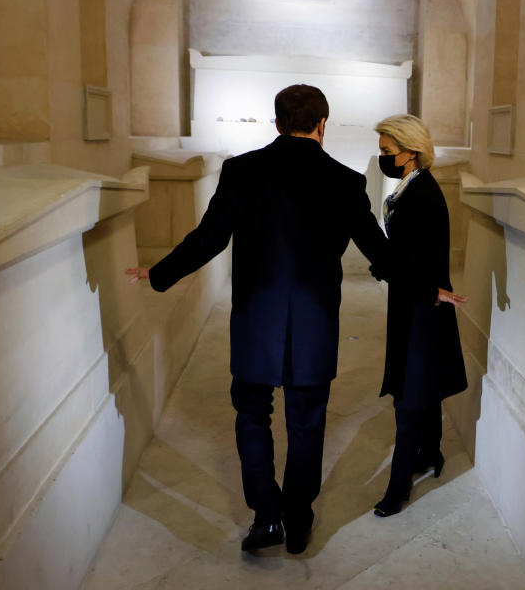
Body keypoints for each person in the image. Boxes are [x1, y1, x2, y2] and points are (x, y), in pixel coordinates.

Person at [125, 84, 391, 554]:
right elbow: (381, 254)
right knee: (307, 422)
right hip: (314, 323)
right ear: (323, 124)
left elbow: (209, 238)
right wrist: (429, 288)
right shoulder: (346, 182)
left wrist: (158, 272)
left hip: (255, 321)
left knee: (252, 416)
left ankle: (266, 518)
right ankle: (299, 520)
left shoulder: (241, 171)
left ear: (276, 122)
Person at [369, 114, 468, 517]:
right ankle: (432, 454)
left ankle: (398, 487)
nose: (383, 158)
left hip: (421, 305)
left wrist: (427, 290)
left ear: (411, 153)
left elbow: (421, 259)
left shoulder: (423, 194)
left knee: (409, 398)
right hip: (413, 301)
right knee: (420, 386)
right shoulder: (412, 187)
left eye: (388, 152)